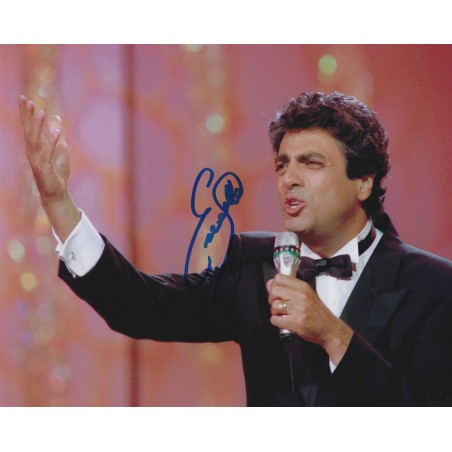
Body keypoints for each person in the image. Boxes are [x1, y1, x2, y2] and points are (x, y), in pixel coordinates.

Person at [19, 91, 452, 406]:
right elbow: (142, 306)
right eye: (282, 164)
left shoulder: (434, 286)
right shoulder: (254, 265)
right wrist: (59, 202)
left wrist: (333, 336)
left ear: (364, 182)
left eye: (311, 163)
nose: (289, 179)